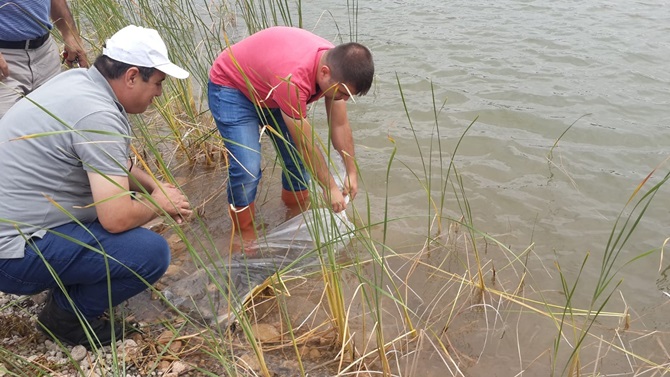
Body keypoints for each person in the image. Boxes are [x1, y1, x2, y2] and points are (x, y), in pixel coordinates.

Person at [0, 25, 191, 348]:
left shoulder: (78, 82)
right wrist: (161, 205)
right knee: (152, 253)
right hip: (12, 257)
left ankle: (67, 286)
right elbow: (114, 218)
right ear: (131, 76)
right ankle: (65, 321)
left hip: (14, 232)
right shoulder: (99, 114)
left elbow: (108, 161)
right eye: (157, 83)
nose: (159, 93)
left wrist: (154, 186)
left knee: (126, 199)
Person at [208, 26, 374, 243]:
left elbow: (340, 126)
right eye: (342, 93)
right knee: (247, 168)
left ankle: (294, 214)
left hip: (271, 87)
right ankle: (243, 231)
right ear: (324, 72)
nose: (342, 98)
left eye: (348, 96)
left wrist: (351, 172)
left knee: (296, 163)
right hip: (232, 87)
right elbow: (305, 144)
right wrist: (329, 187)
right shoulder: (294, 79)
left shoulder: (338, 67)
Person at [0, 0, 89, 118]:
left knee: (61, 121)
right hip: (5, 61)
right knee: (7, 130)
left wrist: (69, 33)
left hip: (46, 53)